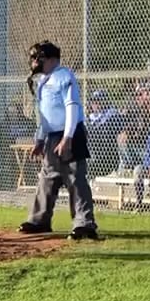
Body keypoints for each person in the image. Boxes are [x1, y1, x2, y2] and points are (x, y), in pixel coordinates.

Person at [19, 41, 100, 240]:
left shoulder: (63, 76)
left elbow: (72, 107)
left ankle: (84, 224)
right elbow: (44, 116)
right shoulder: (43, 80)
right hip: (53, 136)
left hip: (70, 134)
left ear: (51, 59)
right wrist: (39, 140)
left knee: (75, 179)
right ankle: (39, 220)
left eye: (39, 58)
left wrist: (68, 137)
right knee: (48, 178)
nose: (35, 62)